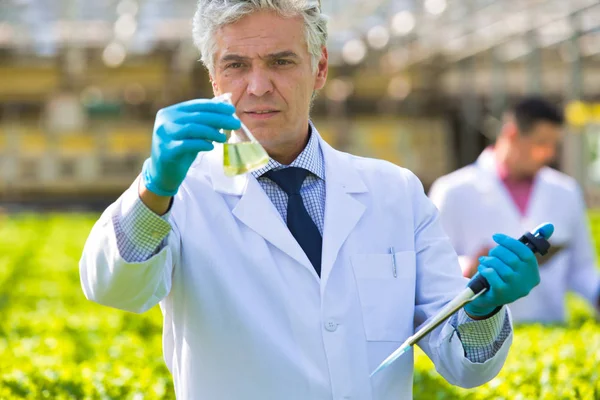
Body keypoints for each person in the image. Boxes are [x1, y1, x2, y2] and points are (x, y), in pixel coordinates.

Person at [79, 1, 543, 399]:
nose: (257, 86)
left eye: (280, 61)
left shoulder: (394, 192)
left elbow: (463, 362)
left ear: (319, 68)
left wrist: (484, 306)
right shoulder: (180, 194)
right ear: (212, 77)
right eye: (235, 65)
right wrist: (154, 188)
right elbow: (116, 290)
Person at [429, 96, 600, 324]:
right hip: (480, 328)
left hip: (549, 330)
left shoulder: (566, 191)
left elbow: (582, 268)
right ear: (511, 134)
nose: (549, 154)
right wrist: (471, 264)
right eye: (541, 143)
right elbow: (433, 269)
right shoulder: (453, 190)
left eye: (554, 145)